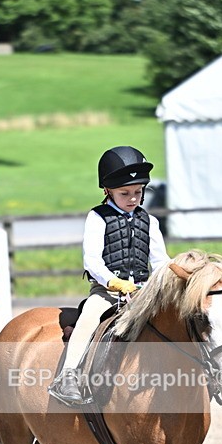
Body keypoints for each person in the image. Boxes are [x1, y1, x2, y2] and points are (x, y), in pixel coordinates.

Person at [48, 145, 170, 405]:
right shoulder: (97, 217)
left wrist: (166, 281)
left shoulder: (150, 222)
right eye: (125, 193)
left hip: (142, 292)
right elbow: (91, 260)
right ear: (108, 191)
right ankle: (68, 375)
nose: (133, 198)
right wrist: (112, 282)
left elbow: (160, 261)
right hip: (106, 291)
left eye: (138, 192)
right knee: (89, 317)